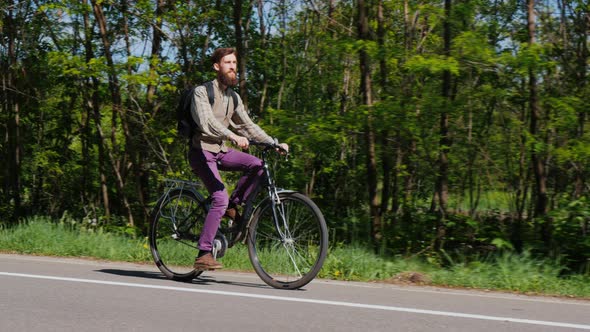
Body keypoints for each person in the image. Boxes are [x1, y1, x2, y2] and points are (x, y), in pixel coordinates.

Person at [188, 47, 288, 270]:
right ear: (217, 67)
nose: (233, 67)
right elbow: (207, 123)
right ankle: (204, 253)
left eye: (235, 63)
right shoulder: (202, 92)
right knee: (219, 197)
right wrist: (231, 135)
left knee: (258, 165)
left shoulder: (233, 98)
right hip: (201, 151)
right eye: (228, 62)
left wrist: (273, 143)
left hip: (220, 150)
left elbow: (247, 125)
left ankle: (232, 206)